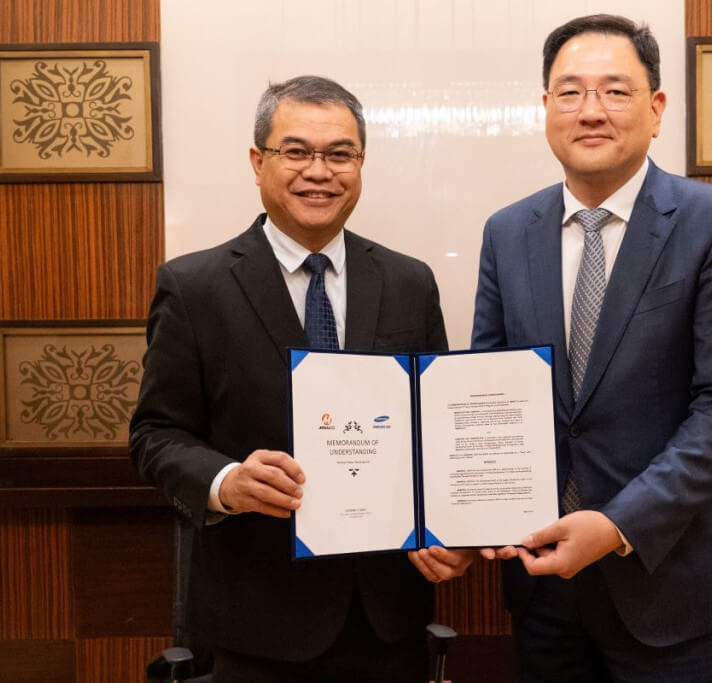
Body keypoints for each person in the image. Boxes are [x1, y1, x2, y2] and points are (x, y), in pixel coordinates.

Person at [130, 75, 471, 683]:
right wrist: (226, 481)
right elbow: (156, 434)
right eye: (297, 152)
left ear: (361, 165)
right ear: (258, 162)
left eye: (340, 154)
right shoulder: (195, 286)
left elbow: (436, 432)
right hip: (256, 622)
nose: (320, 171)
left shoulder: (409, 282)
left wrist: (458, 528)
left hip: (387, 616)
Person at [472, 14, 712, 682]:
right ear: (545, 108)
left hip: (673, 586)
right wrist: (470, 509)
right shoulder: (506, 232)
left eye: (614, 90)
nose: (590, 111)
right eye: (570, 92)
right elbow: (490, 396)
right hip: (543, 584)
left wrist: (615, 525)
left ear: (656, 106)